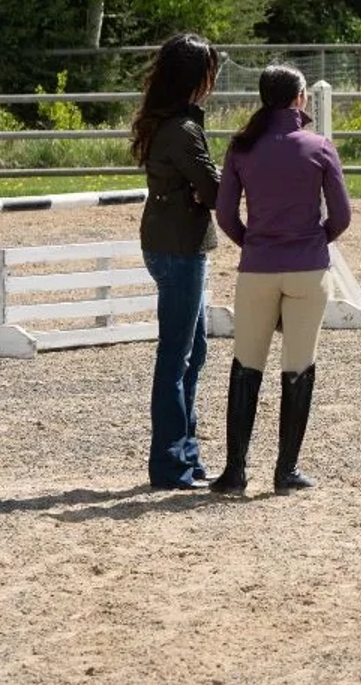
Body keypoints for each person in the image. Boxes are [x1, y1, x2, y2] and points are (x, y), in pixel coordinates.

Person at [210, 65, 352, 495]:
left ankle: (235, 470)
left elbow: (225, 215)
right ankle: (285, 471)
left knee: (245, 364)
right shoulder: (319, 147)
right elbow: (342, 216)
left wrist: (252, 242)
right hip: (307, 268)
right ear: (300, 98)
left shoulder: (241, 147)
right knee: (298, 364)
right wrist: (314, 241)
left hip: (258, 268)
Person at [130, 33, 222, 490]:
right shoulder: (184, 130)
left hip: (170, 241)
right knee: (177, 356)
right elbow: (213, 189)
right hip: (180, 247)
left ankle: (186, 454)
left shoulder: (169, 120)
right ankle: (170, 463)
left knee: (193, 351)